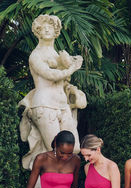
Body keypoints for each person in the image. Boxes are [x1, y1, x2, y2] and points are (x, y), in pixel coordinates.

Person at [19, 14, 86, 171]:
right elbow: (50, 75)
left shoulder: (57, 55)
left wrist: (70, 64)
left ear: (56, 32)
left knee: (74, 147)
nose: (47, 30)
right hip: (44, 105)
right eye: (44, 28)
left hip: (62, 106)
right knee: (57, 151)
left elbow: (64, 80)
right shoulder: (35, 55)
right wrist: (71, 68)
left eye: (51, 27)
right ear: (38, 32)